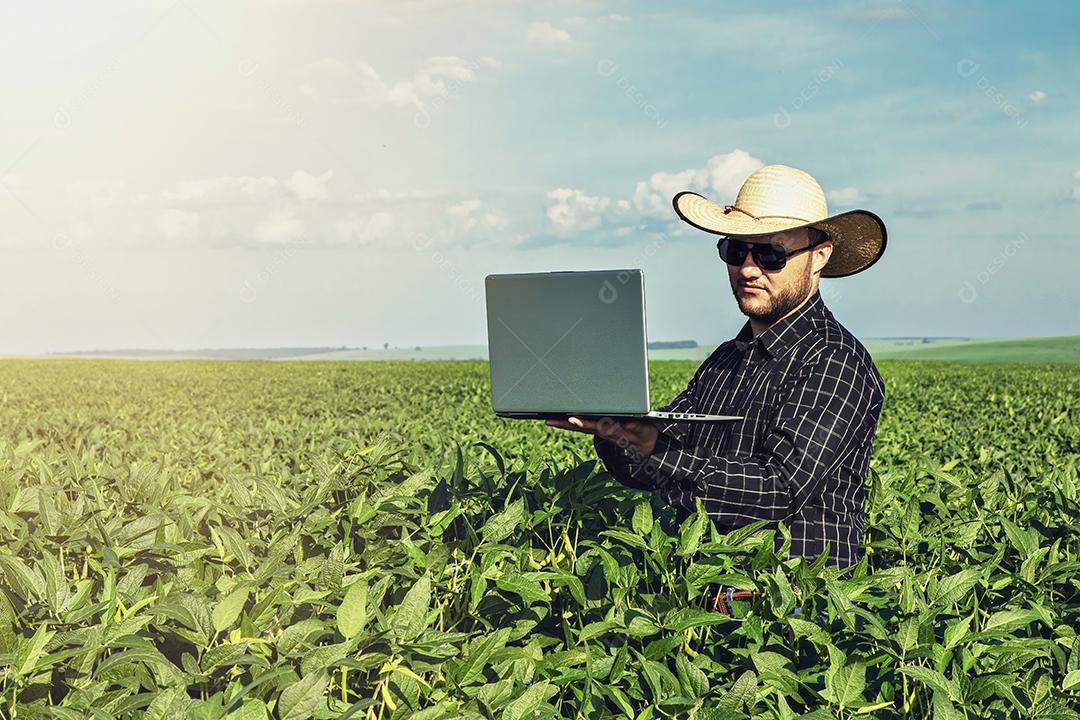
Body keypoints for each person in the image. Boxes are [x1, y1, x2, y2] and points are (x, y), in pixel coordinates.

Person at [546, 164, 887, 580]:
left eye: (770, 255)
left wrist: (658, 448)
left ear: (819, 256)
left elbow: (776, 490)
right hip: (708, 595)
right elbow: (656, 467)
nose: (747, 268)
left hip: (797, 609)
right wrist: (612, 428)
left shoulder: (835, 361)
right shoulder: (725, 361)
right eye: (735, 251)